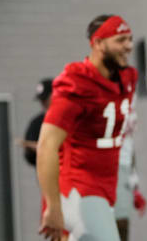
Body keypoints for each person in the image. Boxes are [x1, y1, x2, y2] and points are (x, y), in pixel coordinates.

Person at [36, 15, 137, 241]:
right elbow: (47, 145)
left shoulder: (127, 78)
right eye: (120, 40)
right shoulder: (77, 83)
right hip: (78, 187)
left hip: (106, 186)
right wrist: (52, 205)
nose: (129, 46)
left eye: (130, 39)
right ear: (98, 43)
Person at [114, 98, 147, 241]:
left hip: (124, 167)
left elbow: (129, 142)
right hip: (107, 167)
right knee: (118, 224)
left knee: (122, 225)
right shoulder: (105, 90)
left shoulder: (130, 91)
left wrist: (134, 179)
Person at [21, 78, 53, 166]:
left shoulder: (70, 118)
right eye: (41, 100)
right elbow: (29, 157)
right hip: (47, 171)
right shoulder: (36, 123)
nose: (43, 103)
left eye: (45, 99)